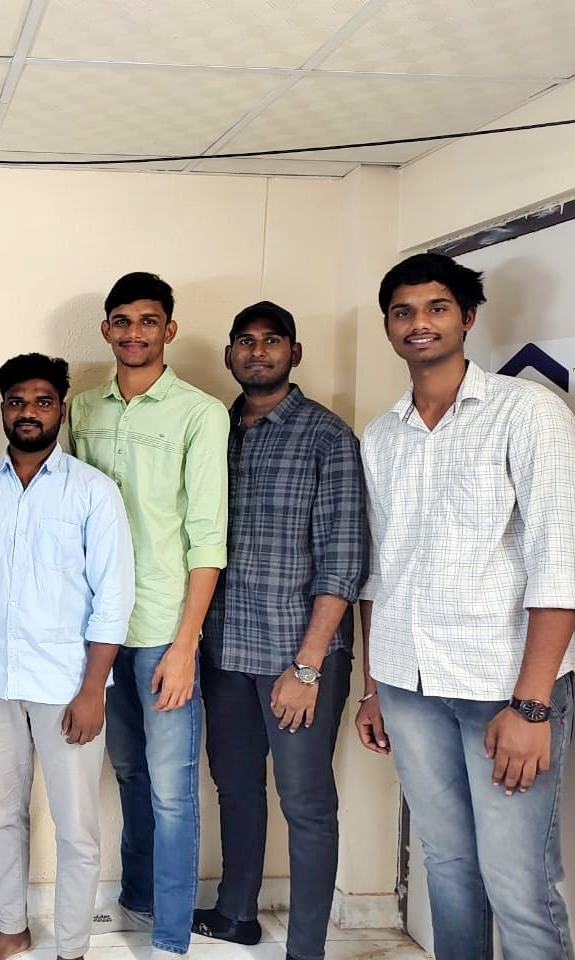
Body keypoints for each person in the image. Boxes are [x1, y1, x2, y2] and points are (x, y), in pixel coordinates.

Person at [354, 253, 575, 958]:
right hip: (408, 683)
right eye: (402, 312)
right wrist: (373, 686)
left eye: (436, 308)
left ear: (467, 318)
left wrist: (532, 706)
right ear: (389, 326)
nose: (418, 323)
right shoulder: (383, 434)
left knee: (519, 884)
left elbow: (563, 564)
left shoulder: (529, 414)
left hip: (503, 687)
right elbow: (379, 570)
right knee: (448, 867)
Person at [0, 353, 135, 960]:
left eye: (42, 402)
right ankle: (11, 927)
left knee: (76, 826)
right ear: (3, 409)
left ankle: (71, 947)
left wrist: (92, 690)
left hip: (68, 685)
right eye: (17, 401)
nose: (29, 412)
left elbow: (113, 599)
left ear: (61, 409)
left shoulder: (93, 492)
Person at [194, 302, 367, 959]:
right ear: (229, 354)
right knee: (235, 788)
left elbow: (343, 561)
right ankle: (236, 913)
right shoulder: (216, 430)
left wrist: (308, 667)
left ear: (294, 353)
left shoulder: (327, 436)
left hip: (298, 655)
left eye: (272, 341)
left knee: (306, 802)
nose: (257, 351)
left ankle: (306, 949)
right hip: (224, 649)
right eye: (245, 340)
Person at [68, 272, 227, 957]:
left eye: (148, 321)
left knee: (171, 790)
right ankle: (137, 897)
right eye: (123, 321)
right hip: (99, 631)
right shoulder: (81, 409)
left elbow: (208, 538)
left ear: (170, 329)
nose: (134, 333)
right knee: (129, 774)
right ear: (106, 328)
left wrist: (186, 646)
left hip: (164, 629)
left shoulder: (200, 413)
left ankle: (169, 937)